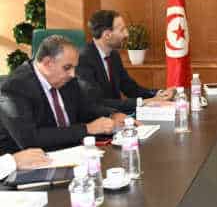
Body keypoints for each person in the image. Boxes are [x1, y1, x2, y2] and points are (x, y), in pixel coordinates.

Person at [0, 35, 128, 153]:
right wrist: (87, 129)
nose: (73, 74)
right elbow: (30, 139)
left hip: (72, 151)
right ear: (47, 63)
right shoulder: (14, 88)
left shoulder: (65, 79)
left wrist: (112, 115)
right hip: (33, 161)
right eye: (67, 67)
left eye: (74, 67)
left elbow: (85, 108)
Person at [77, 10, 174, 114]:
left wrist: (159, 94)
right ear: (107, 35)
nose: (126, 34)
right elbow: (98, 102)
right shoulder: (83, 60)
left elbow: (130, 87)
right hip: (100, 119)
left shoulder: (114, 55)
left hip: (118, 116)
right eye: (122, 30)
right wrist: (143, 102)